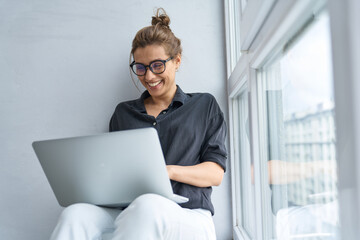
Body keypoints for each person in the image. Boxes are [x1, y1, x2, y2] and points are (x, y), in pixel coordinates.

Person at [49, 8, 227, 240]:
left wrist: (166, 172)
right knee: (75, 214)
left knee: (148, 205)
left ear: (177, 61)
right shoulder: (124, 113)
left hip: (188, 215)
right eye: (141, 68)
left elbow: (215, 174)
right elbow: (112, 172)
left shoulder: (204, 105)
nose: (149, 77)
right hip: (129, 211)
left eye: (157, 65)